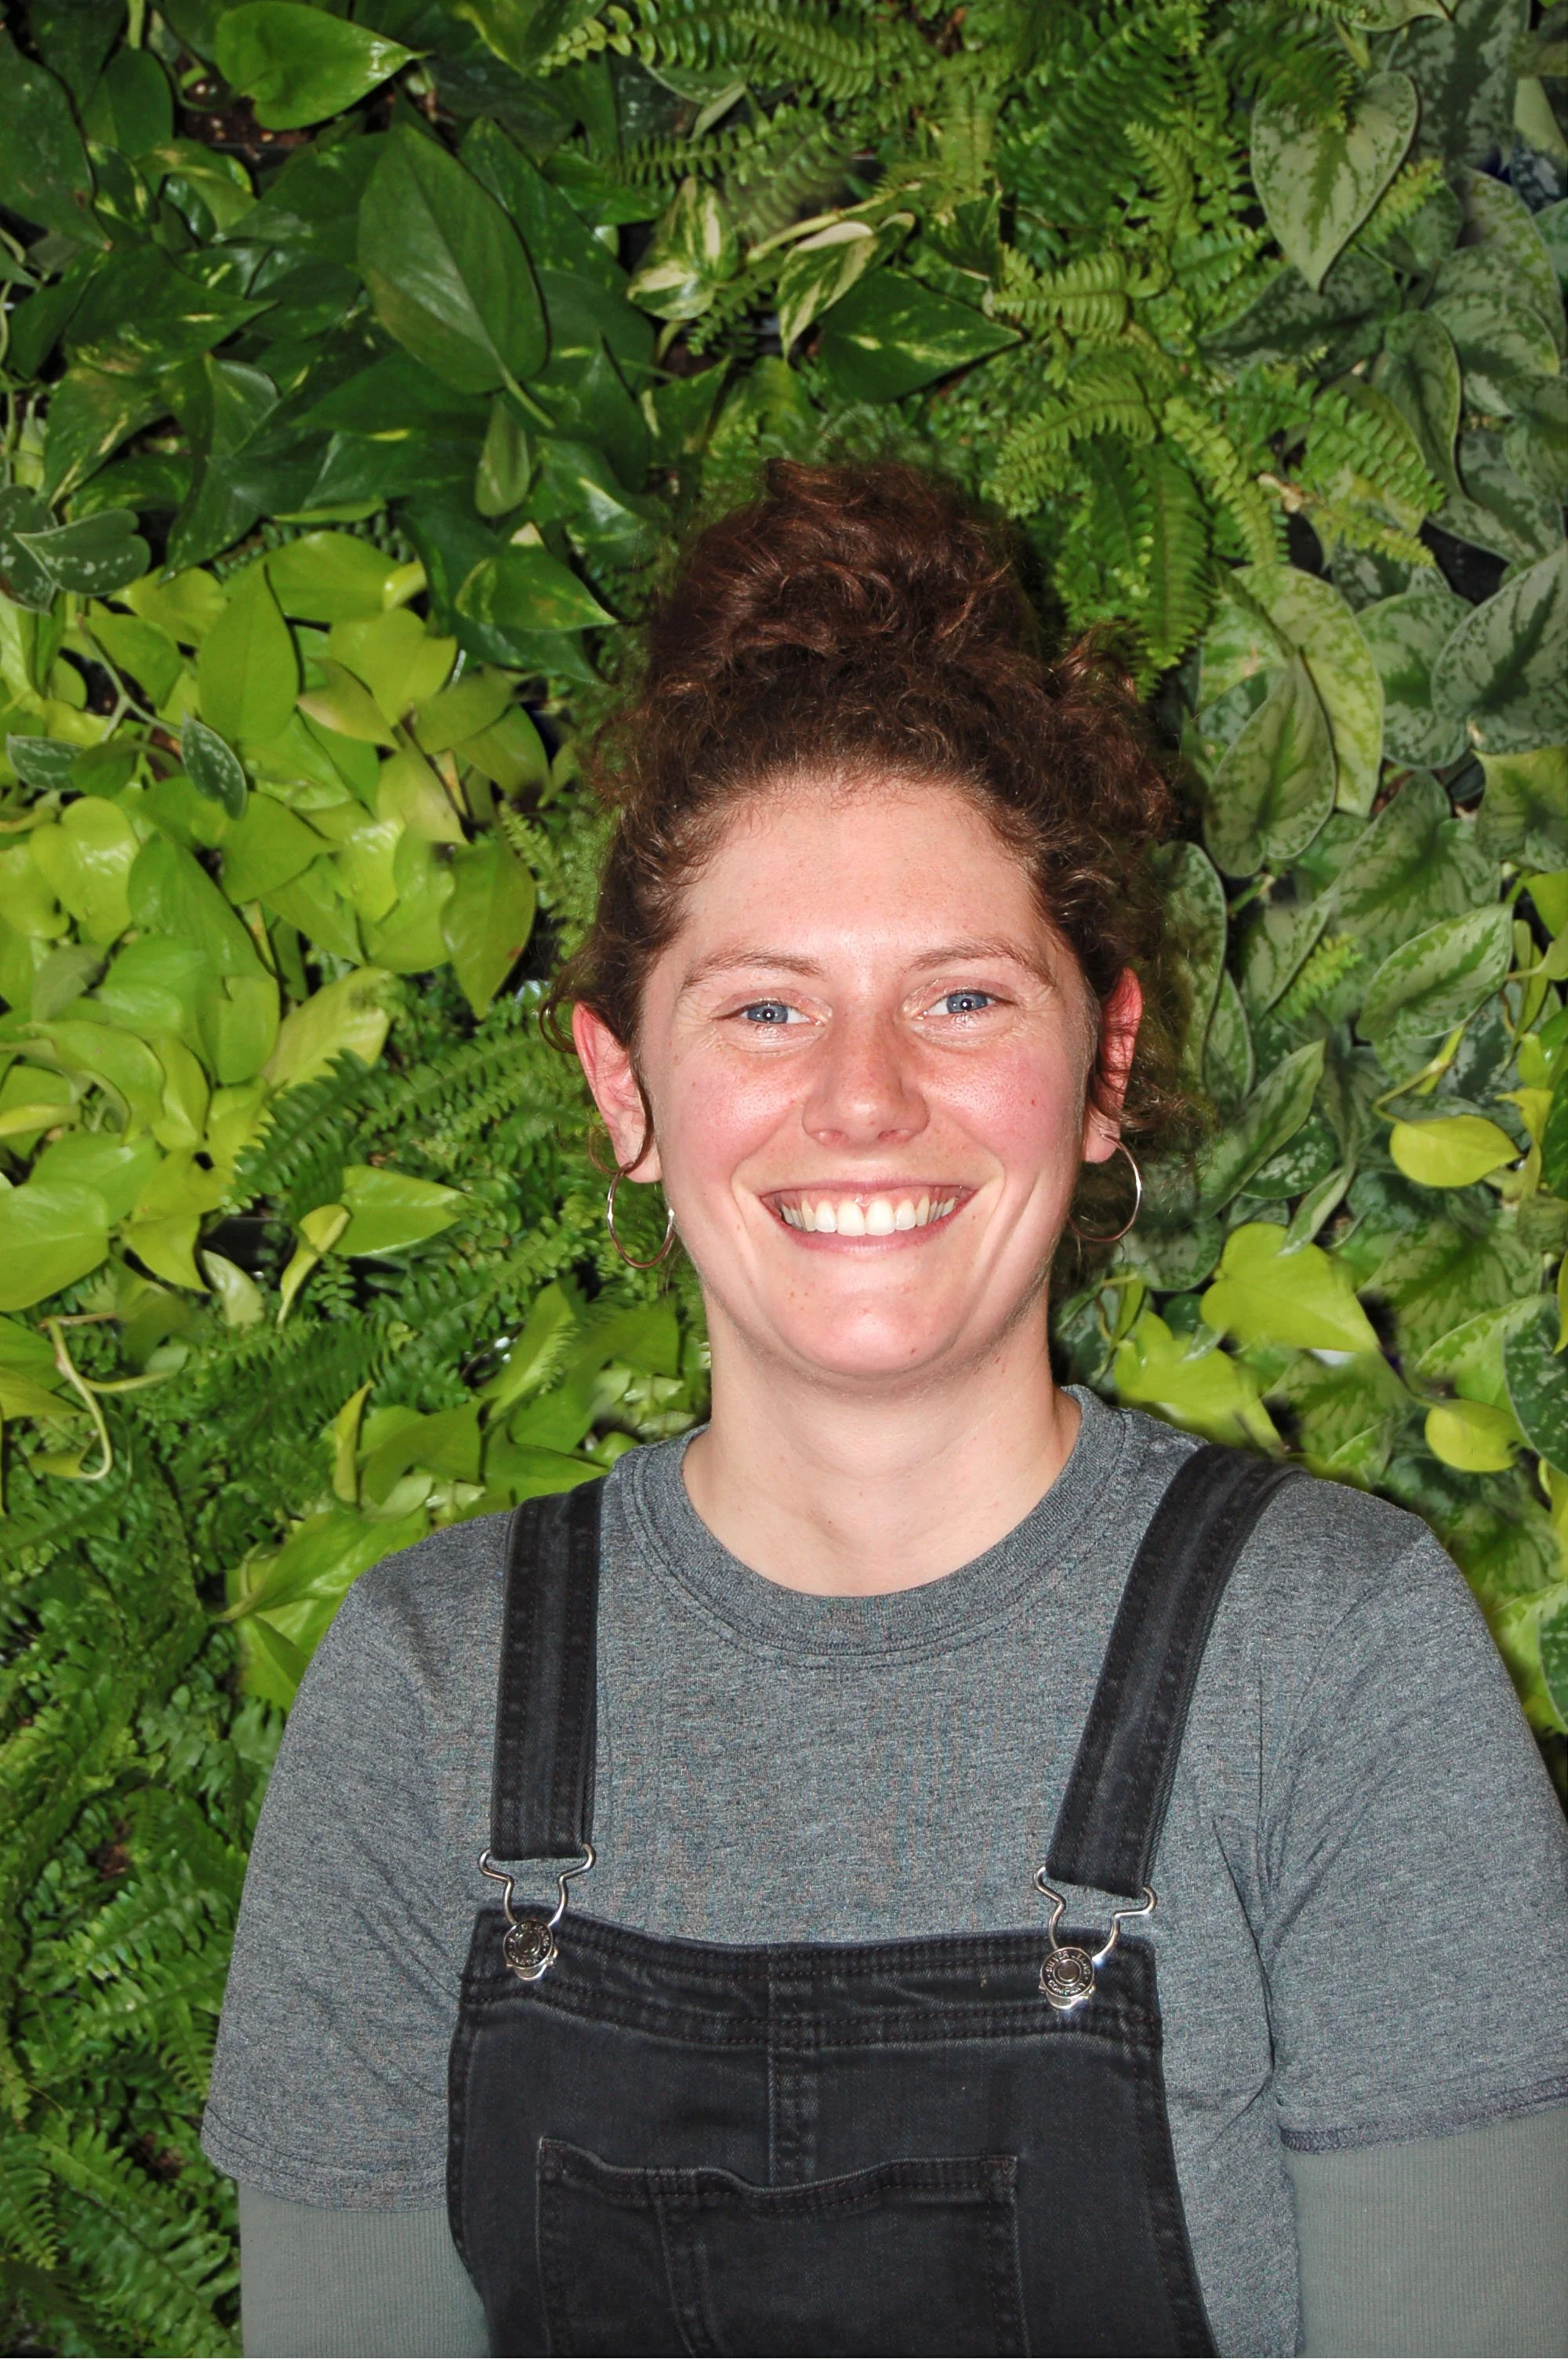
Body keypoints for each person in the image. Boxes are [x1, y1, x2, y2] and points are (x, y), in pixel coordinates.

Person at [205, 463, 1568, 2359]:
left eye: (959, 1002)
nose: (861, 1099)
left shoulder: (1330, 1666)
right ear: (623, 1085)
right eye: (764, 1010)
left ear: (1103, 1066)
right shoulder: (429, 1692)